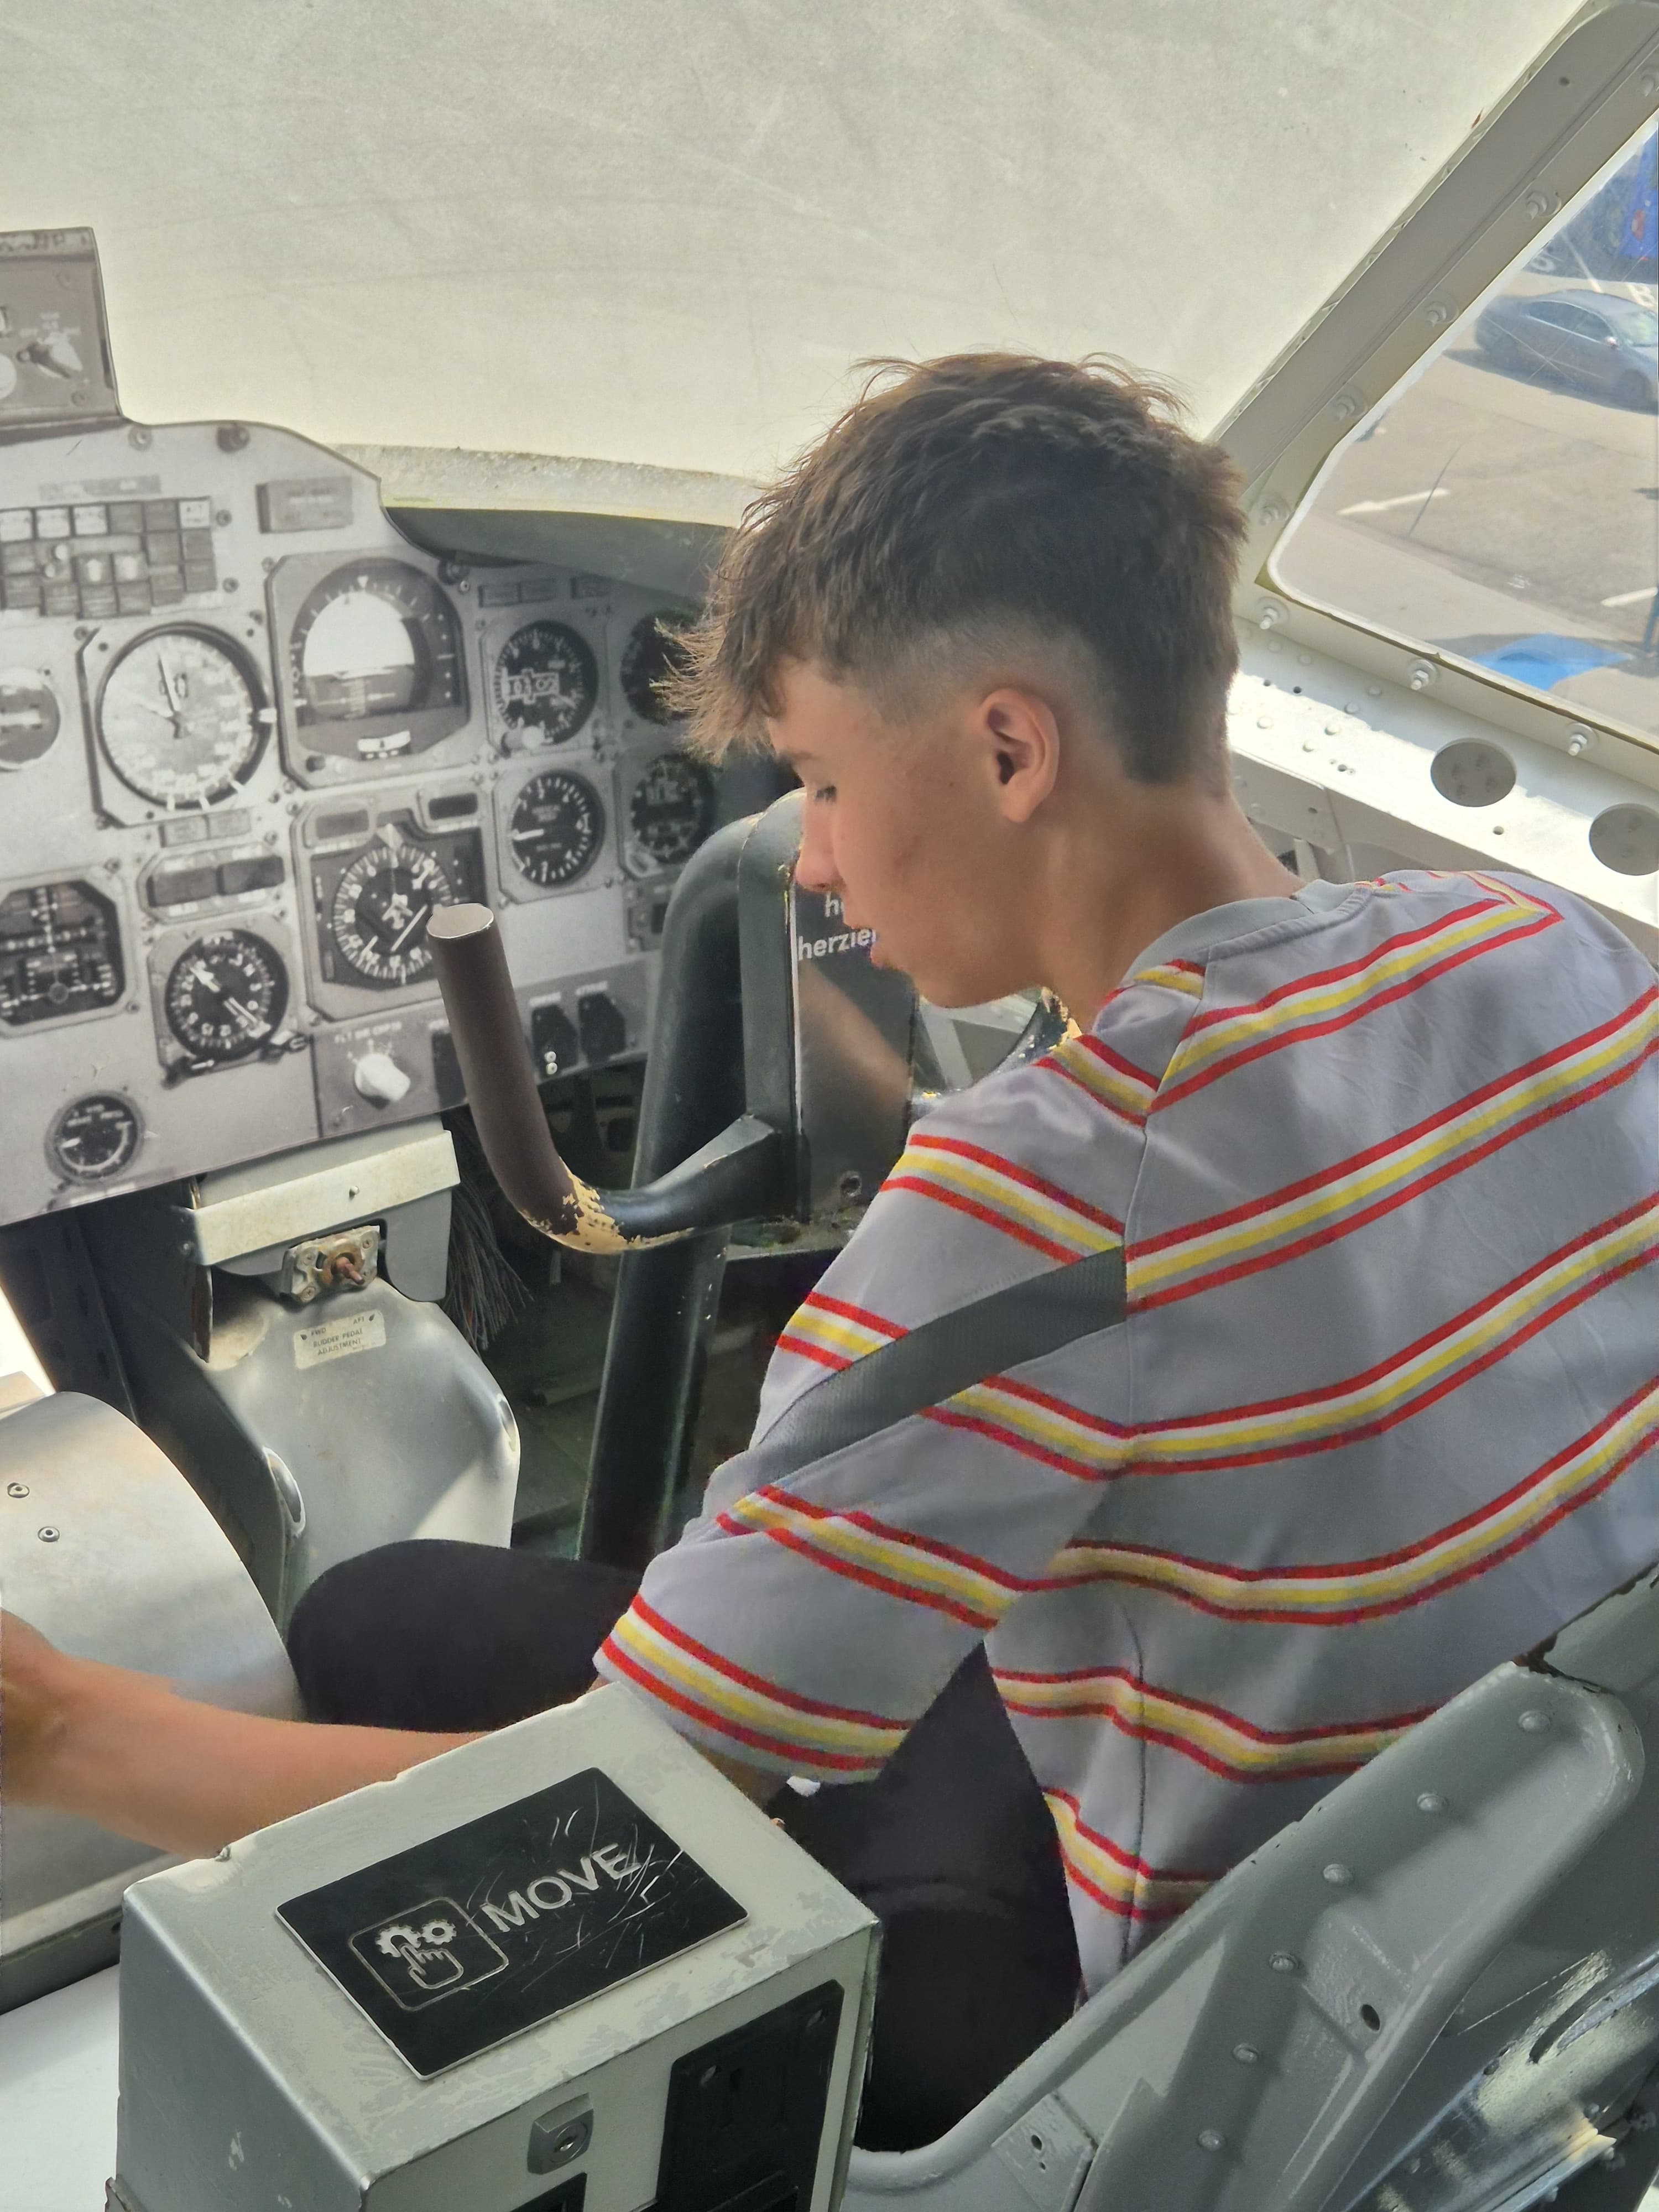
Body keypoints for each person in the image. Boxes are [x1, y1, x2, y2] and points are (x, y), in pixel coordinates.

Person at [5, 354, 1657, 2147]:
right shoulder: (1549, 954)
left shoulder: (1044, 1205)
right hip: (1502, 1956)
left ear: (1010, 749)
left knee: (373, 1617)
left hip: (1185, 2059)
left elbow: (628, 1827)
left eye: (820, 781)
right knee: (425, 1613)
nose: (807, 862)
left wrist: (61, 1732)